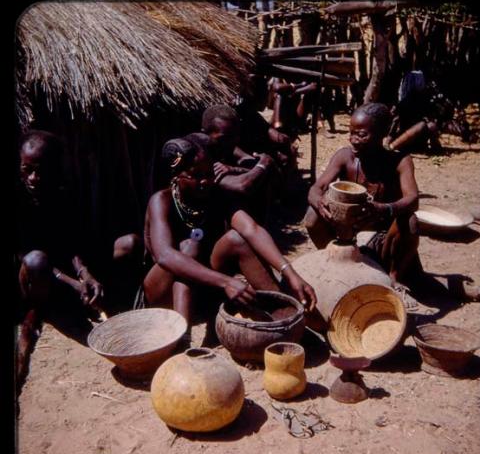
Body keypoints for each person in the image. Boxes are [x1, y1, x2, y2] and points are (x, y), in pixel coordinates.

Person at [141, 133, 316, 329]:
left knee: (236, 239)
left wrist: (289, 272)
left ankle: (282, 315)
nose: (205, 181)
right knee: (189, 248)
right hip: (163, 293)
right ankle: (182, 335)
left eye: (209, 174)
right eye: (196, 176)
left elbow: (251, 229)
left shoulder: (217, 193)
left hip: (204, 286)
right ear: (175, 176)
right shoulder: (161, 201)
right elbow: (165, 256)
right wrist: (226, 282)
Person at [15, 130, 141, 382]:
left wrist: (85, 273)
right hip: (28, 276)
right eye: (26, 169)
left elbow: (71, 243)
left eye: (40, 170)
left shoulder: (60, 192)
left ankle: (120, 302)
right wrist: (74, 283)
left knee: (129, 244)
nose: (33, 177)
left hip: (58, 268)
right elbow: (25, 255)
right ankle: (41, 309)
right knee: (36, 260)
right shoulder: (18, 197)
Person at [305, 103, 421, 289]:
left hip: (384, 239)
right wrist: (320, 203)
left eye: (361, 135)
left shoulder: (399, 161)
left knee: (410, 221)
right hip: (347, 235)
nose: (353, 140)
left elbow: (413, 199)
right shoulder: (345, 157)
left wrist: (384, 209)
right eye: (351, 133)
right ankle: (339, 261)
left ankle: (393, 276)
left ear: (382, 133)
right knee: (311, 216)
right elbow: (316, 189)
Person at [201, 104, 279, 223]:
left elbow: (272, 171)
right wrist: (264, 163)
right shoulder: (200, 158)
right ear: (204, 134)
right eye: (224, 138)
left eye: (235, 137)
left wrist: (235, 169)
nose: (231, 143)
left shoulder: (228, 145)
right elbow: (243, 186)